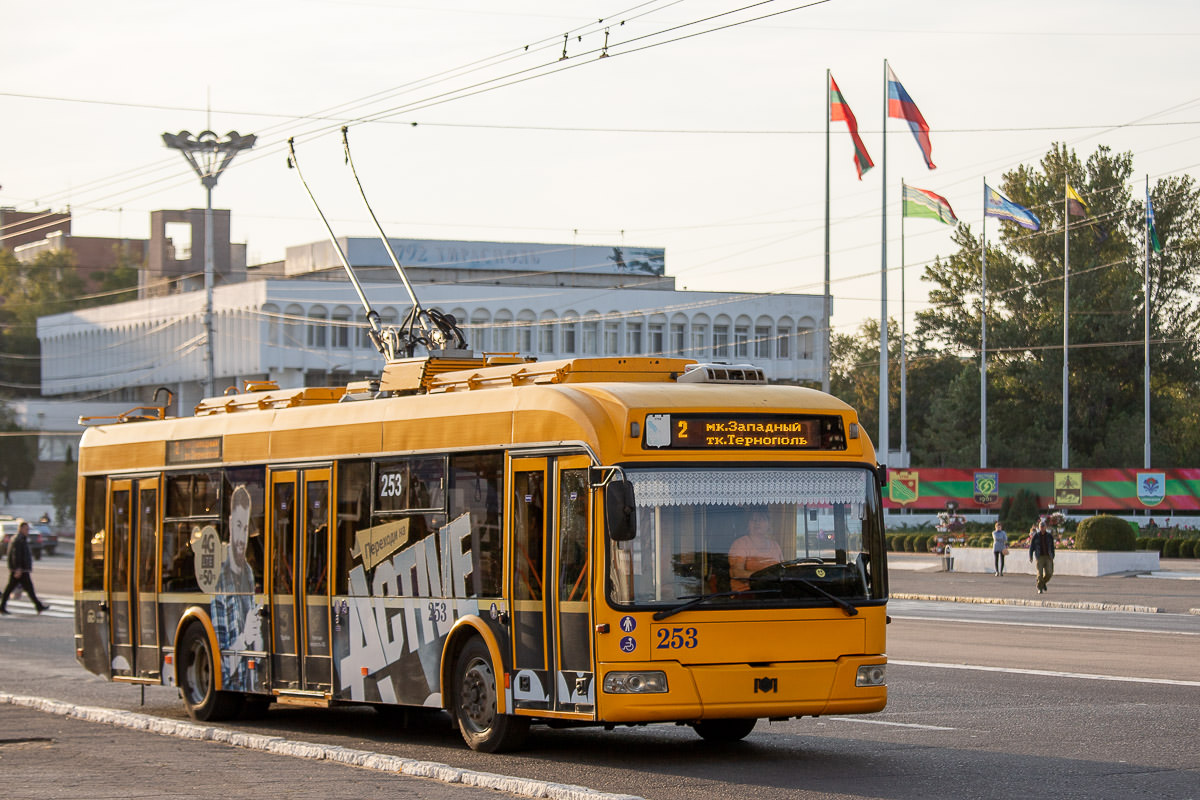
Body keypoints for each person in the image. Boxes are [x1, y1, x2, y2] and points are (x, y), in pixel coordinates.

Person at [210, 486, 262, 690]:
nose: (242, 537)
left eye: (246, 528)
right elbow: (221, 661)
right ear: (230, 525)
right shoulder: (219, 579)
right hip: (233, 680)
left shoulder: (248, 573)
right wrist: (245, 637)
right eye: (238, 525)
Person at [728, 507, 783, 592]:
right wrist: (764, 576)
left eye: (761, 519)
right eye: (753, 520)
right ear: (748, 524)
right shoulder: (741, 543)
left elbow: (782, 571)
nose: (757, 523)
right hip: (747, 594)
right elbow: (737, 573)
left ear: (768, 524)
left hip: (772, 592)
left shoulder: (775, 545)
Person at [0, 520, 50, 615]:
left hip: (22, 569)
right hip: (20, 570)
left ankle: (38, 606)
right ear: (21, 529)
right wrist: (18, 568)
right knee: (13, 589)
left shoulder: (20, 538)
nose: (27, 531)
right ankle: (38, 606)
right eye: (26, 529)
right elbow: (16, 555)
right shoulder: (18, 539)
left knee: (26, 589)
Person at [1029, 521, 1056, 594]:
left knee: (1049, 573)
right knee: (1040, 574)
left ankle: (1042, 583)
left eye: (1043, 526)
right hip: (1039, 556)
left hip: (1048, 556)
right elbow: (1031, 547)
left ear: (1045, 527)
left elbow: (1052, 547)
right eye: (1041, 526)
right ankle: (1040, 588)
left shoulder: (1049, 536)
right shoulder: (1036, 536)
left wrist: (1053, 555)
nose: (1042, 528)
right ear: (1039, 527)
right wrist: (1030, 556)